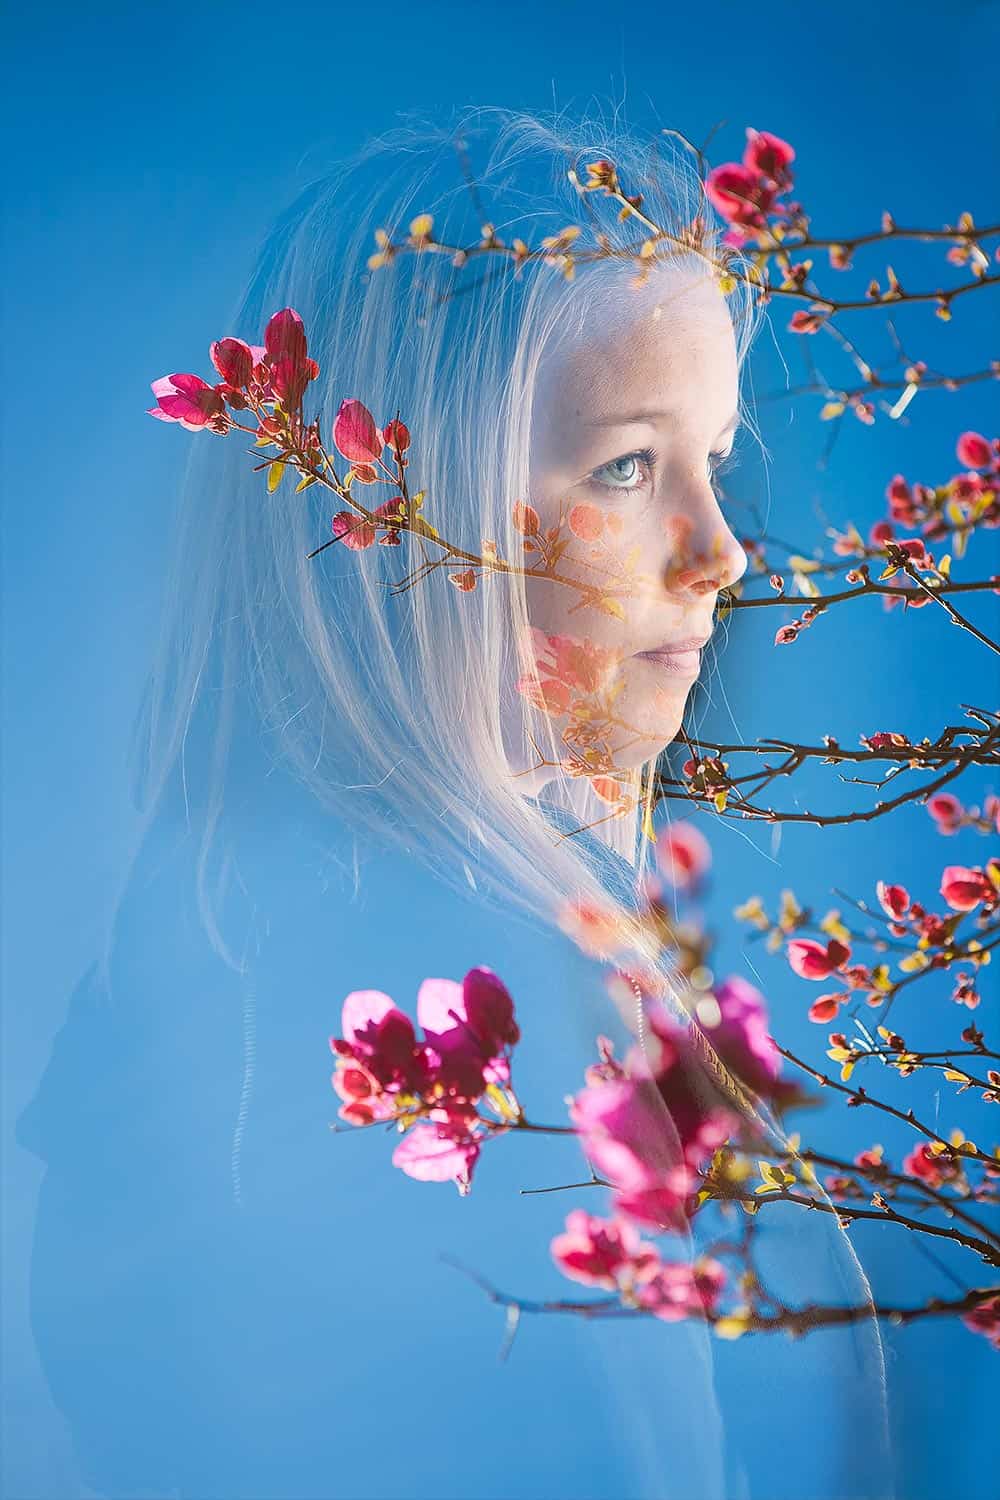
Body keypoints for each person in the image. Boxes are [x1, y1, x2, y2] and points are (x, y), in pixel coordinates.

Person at [18, 104, 896, 1499]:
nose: (721, 551)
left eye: (712, 460)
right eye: (625, 467)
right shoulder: (465, 992)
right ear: (407, 517)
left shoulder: (235, 920)